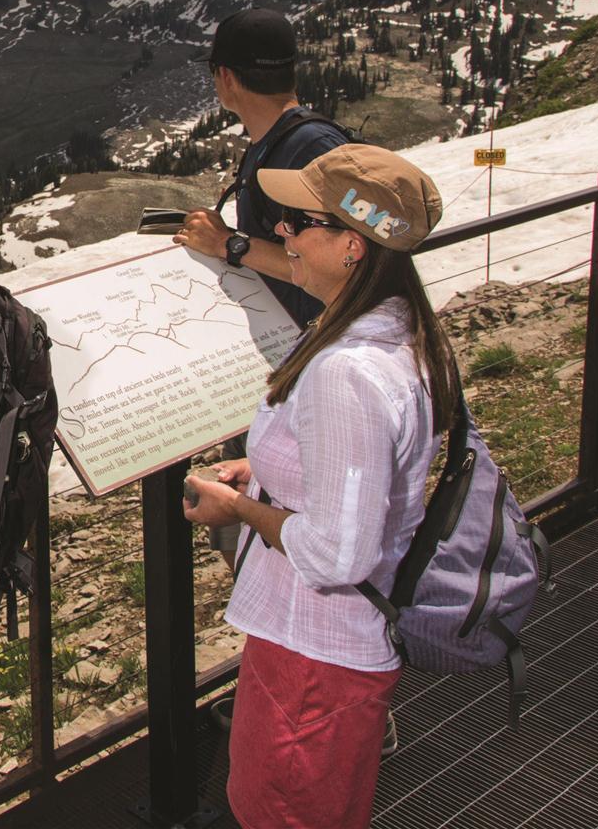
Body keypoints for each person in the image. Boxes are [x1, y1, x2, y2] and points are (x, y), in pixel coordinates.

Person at [182, 144, 456, 829]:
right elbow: (359, 471)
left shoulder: (346, 373)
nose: (283, 233)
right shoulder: (399, 329)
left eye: (302, 220)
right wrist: (271, 473)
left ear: (353, 245)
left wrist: (238, 507)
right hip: (332, 652)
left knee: (282, 809)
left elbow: (338, 554)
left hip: (315, 653)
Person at [176, 7, 348, 329]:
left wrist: (226, 244)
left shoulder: (310, 148)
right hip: (301, 336)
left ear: (225, 77)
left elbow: (336, 263)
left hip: (323, 340)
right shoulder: (288, 139)